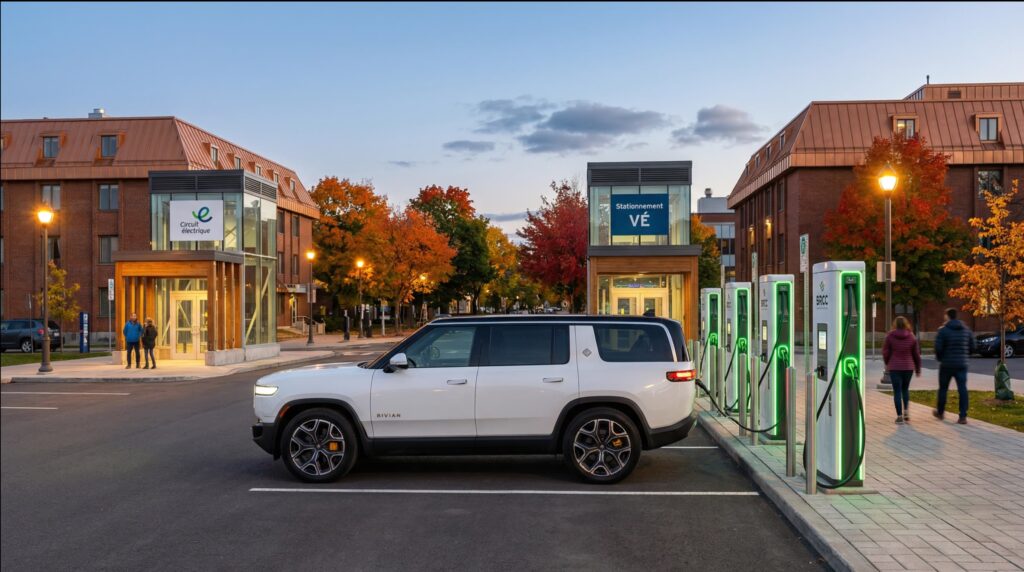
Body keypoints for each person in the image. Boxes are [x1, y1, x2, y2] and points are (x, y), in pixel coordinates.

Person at [934, 308, 975, 425]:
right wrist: (965, 356)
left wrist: (940, 358)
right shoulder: (966, 330)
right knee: (962, 389)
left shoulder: (943, 331)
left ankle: (940, 412)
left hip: (946, 364)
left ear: (947, 316)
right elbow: (972, 346)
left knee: (943, 389)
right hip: (962, 364)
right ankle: (963, 416)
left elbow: (938, 348)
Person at [883, 316, 921, 424]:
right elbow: (916, 354)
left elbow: (885, 352)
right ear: (906, 324)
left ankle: (899, 416)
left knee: (897, 391)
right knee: (905, 389)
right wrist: (918, 368)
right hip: (908, 368)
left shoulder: (890, 336)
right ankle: (906, 412)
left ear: (895, 324)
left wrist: (887, 362)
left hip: (895, 367)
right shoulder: (911, 336)